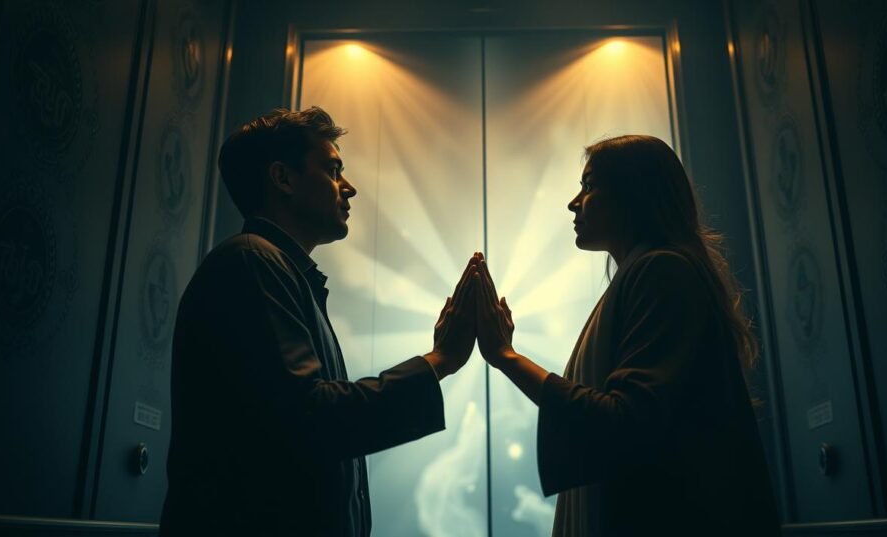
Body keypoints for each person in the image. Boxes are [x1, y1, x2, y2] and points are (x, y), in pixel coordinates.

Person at [160, 107, 479, 536]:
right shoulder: (254, 263)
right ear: (283, 178)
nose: (349, 188)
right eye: (333, 170)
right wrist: (440, 360)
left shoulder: (275, 271)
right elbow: (314, 418)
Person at [470, 135, 781, 536]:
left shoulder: (661, 273)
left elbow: (626, 421)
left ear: (633, 194)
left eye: (589, 186)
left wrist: (506, 358)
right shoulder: (647, 276)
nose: (573, 202)